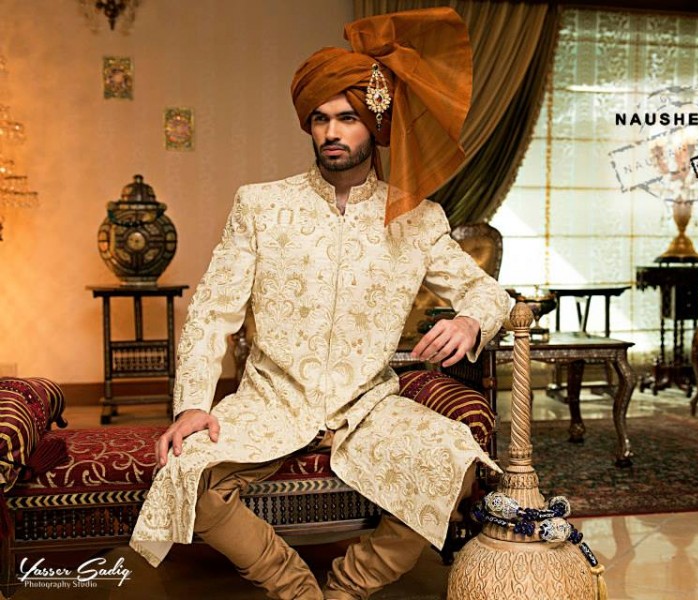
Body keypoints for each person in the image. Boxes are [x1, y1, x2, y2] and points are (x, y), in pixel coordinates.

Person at [129, 7, 510, 600]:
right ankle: (297, 590)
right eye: (321, 119)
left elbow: (489, 292)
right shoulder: (261, 206)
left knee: (460, 463)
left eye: (348, 118)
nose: (332, 132)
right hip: (272, 399)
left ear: (374, 124)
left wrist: (470, 319)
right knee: (186, 473)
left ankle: (348, 588)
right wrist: (193, 406)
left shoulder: (416, 218)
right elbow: (212, 311)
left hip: (367, 404)